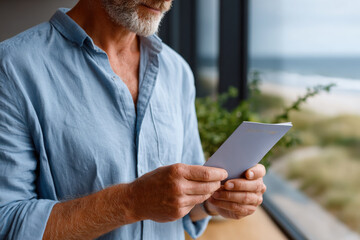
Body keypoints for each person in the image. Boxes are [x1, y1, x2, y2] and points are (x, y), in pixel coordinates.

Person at [0, 0, 266, 239]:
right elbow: (6, 223)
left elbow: (180, 205)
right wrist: (131, 202)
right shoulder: (12, 68)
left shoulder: (177, 71)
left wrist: (214, 201)